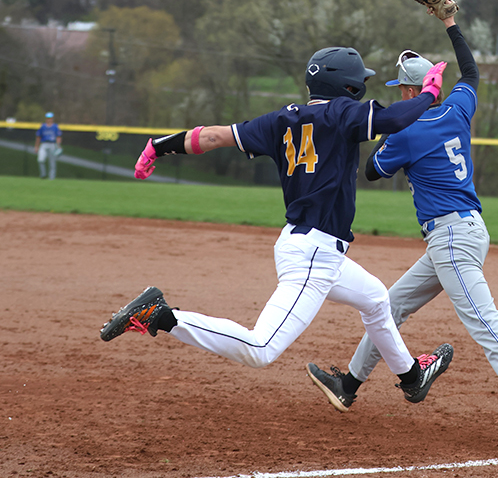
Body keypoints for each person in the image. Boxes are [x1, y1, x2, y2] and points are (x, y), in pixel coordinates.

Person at [100, 46, 454, 404]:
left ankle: (412, 377)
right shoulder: (342, 113)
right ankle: (162, 317)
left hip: (309, 247)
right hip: (314, 254)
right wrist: (428, 93)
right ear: (347, 85)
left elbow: (213, 137)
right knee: (261, 348)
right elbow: (394, 119)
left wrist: (158, 146)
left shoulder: (281, 119)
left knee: (376, 299)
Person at [305, 14, 498, 439]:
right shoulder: (458, 108)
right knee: (389, 306)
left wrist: (394, 122)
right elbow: (471, 73)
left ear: (411, 91)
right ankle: (347, 385)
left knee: (483, 320)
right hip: (463, 233)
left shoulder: (408, 132)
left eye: (401, 90)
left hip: (452, 238)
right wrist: (451, 23)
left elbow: (372, 170)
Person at [34, 112, 62, 179]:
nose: (49, 119)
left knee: (52, 162)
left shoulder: (55, 126)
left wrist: (58, 146)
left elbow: (58, 137)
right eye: (48, 118)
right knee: (40, 160)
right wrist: (36, 146)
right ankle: (43, 174)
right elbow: (38, 137)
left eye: (50, 118)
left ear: (52, 119)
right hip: (43, 144)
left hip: (52, 144)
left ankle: (51, 177)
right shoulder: (42, 126)